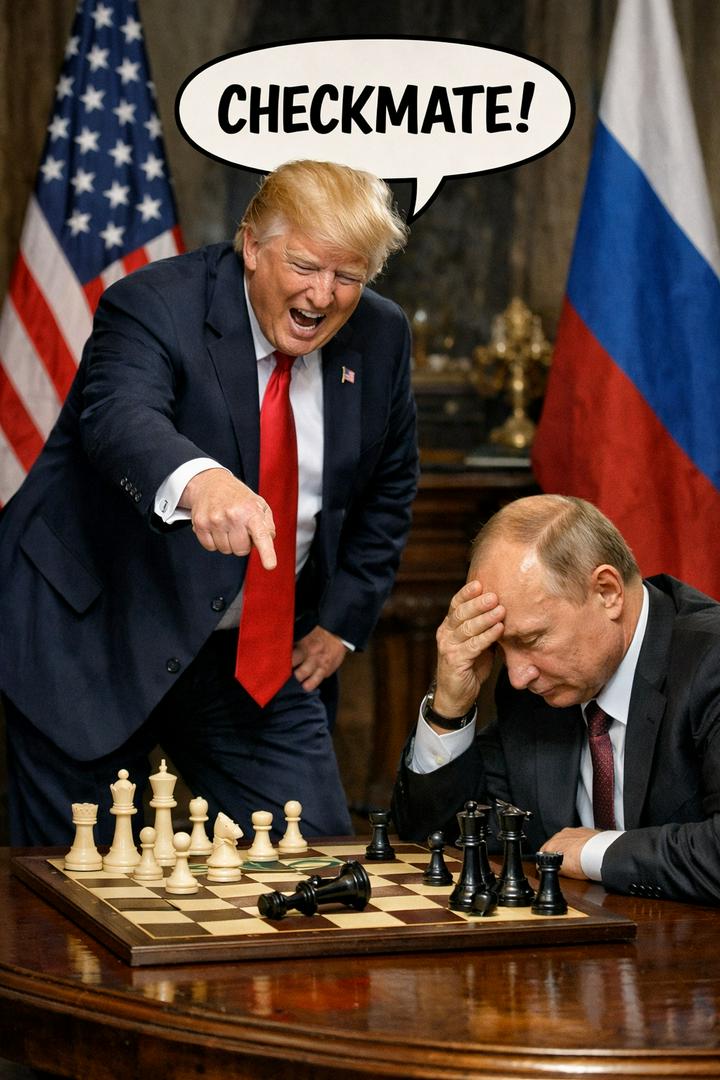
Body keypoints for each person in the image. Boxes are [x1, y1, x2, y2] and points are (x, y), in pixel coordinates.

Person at [0, 159, 419, 846]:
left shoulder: (381, 334)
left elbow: (390, 485)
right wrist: (200, 481)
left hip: (253, 658)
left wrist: (342, 622)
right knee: (84, 882)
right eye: (305, 266)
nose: (323, 295)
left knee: (314, 862)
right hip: (93, 633)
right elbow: (117, 418)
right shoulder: (154, 303)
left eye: (348, 276)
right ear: (252, 245)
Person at [392, 494, 720, 905]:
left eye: (531, 640)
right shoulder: (535, 692)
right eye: (501, 648)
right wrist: (449, 708)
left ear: (607, 592)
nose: (517, 676)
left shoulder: (710, 663)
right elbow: (440, 841)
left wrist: (595, 852)